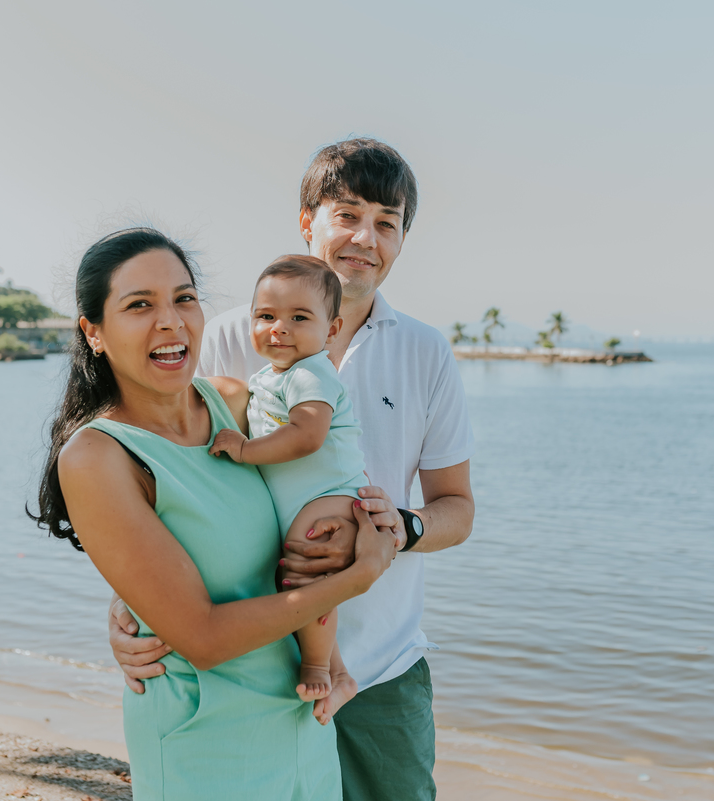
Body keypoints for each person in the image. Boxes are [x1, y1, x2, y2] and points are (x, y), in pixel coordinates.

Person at [110, 139, 477, 801]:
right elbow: (156, 482)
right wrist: (128, 600)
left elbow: (458, 507)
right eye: (348, 214)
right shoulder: (229, 336)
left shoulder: (426, 351)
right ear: (307, 220)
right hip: (254, 659)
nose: (366, 237)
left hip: (384, 673)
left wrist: (403, 526)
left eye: (387, 223)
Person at [33, 228, 399, 800]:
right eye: (139, 305)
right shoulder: (96, 456)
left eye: (183, 298)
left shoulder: (231, 402)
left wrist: (376, 520)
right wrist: (358, 577)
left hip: (302, 721)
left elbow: (312, 478)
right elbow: (201, 636)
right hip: (208, 746)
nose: (171, 321)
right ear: (94, 332)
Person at [209, 255, 364, 710]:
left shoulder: (311, 374)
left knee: (305, 570)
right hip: (303, 497)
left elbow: (307, 437)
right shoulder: (271, 376)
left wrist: (243, 450)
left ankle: (317, 668)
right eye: (266, 316)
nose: (279, 327)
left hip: (330, 493)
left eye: (299, 317)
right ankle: (339, 672)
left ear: (331, 330)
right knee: (300, 579)